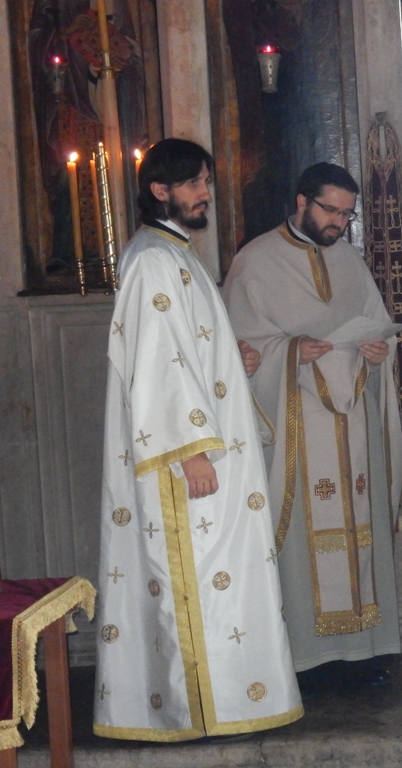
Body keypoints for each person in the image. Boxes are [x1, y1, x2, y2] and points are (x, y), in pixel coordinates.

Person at [93, 138, 303, 740]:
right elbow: (158, 365)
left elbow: (188, 349)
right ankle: (204, 710)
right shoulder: (153, 259)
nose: (204, 192)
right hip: (186, 458)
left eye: (206, 181)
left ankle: (234, 702)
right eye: (192, 183)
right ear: (159, 189)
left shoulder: (175, 253)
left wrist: (230, 358)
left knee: (226, 575)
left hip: (207, 449)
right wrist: (190, 455)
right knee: (199, 577)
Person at [225, 162, 402, 678]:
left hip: (353, 426)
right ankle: (308, 658)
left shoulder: (349, 259)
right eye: (331, 211)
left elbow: (377, 324)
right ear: (301, 201)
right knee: (306, 541)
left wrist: (379, 350)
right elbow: (233, 350)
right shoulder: (255, 262)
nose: (339, 224)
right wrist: (288, 352)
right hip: (296, 426)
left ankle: (365, 651)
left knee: (359, 529)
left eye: (347, 215)